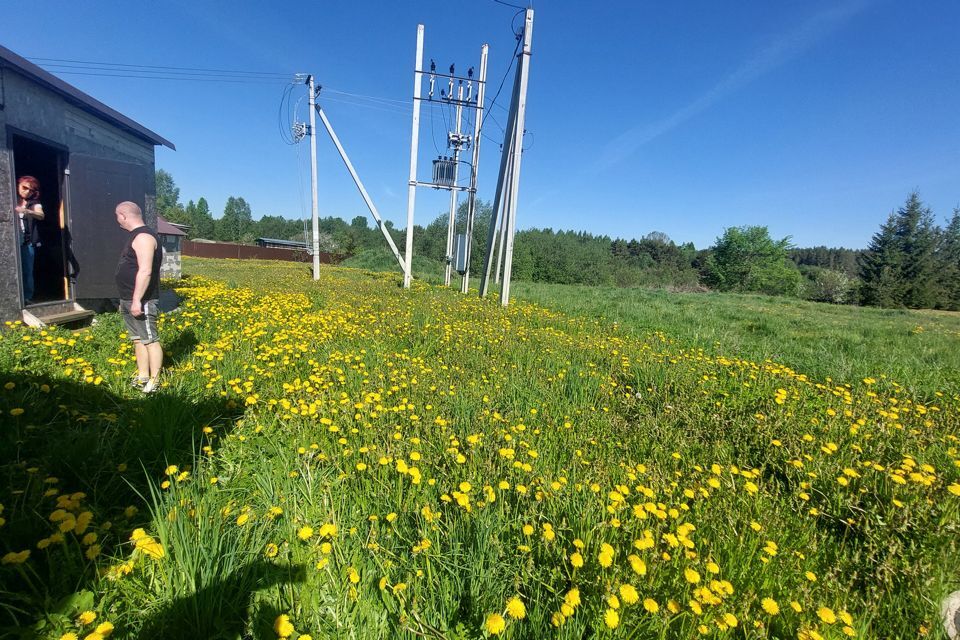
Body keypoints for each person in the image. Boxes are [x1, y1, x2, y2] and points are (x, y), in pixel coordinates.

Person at [114, 201, 163, 393]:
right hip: (128, 298)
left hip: (142, 300)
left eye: (117, 216)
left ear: (123, 215)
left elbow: (145, 271)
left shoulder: (143, 236)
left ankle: (155, 381)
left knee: (150, 339)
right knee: (138, 339)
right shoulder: (135, 235)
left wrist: (137, 300)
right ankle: (143, 375)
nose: (117, 220)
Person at [15, 176, 44, 304]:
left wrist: (26, 211)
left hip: (27, 241)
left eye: (31, 190)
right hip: (12, 241)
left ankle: (27, 297)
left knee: (27, 270)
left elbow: (41, 215)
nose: (27, 191)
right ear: (18, 185)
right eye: (24, 188)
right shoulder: (10, 198)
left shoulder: (34, 203)